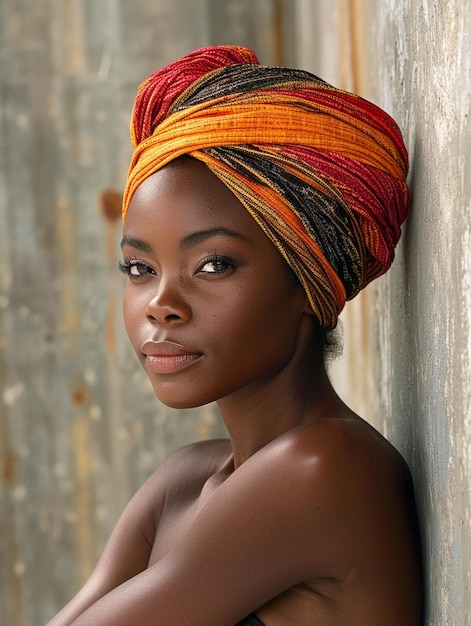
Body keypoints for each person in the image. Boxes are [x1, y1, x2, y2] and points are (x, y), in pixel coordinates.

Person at [48, 45, 422, 625]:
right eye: (139, 269)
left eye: (214, 265)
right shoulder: (184, 481)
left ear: (306, 279)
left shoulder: (326, 468)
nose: (161, 305)